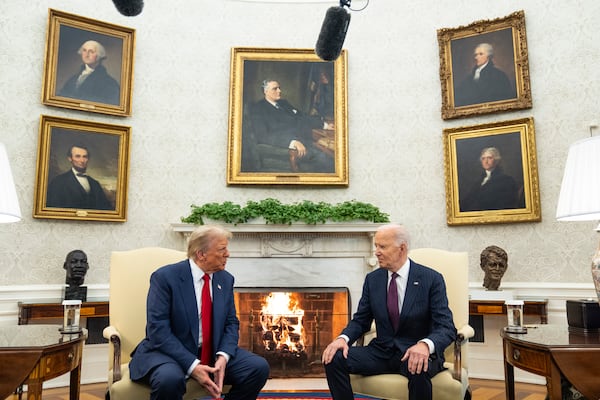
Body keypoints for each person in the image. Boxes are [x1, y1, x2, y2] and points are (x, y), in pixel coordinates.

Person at [128, 225, 270, 400]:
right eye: (222, 249)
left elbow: (231, 323)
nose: (228, 254)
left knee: (257, 367)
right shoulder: (165, 277)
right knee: (169, 380)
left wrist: (223, 357)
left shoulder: (225, 279)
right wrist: (193, 365)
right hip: (169, 353)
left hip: (211, 351)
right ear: (201, 254)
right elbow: (158, 331)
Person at [321, 224, 456, 400]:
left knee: (418, 366)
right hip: (381, 352)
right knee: (333, 358)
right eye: (376, 246)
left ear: (402, 248)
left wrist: (425, 345)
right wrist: (342, 338)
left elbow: (446, 327)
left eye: (382, 246)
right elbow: (361, 320)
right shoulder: (373, 279)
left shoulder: (431, 279)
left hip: (414, 351)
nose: (376, 252)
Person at [245, 79, 335, 173]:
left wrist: (324, 125)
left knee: (329, 151)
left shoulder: (284, 103)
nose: (279, 91)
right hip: (286, 148)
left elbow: (302, 117)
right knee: (326, 158)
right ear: (265, 91)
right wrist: (292, 142)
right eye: (275, 89)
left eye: (279, 88)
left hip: (305, 141)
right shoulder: (258, 108)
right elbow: (263, 135)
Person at [46, 144, 113, 210]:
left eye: (85, 157)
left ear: (88, 159)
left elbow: (106, 209)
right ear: (70, 158)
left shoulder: (95, 184)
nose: (82, 160)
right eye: (78, 156)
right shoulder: (58, 182)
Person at [460, 147, 523, 212]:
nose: (486, 161)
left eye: (489, 158)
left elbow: (506, 204)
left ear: (497, 160)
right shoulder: (478, 181)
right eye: (483, 158)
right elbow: (467, 201)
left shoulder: (507, 180)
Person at [57, 40, 120, 105]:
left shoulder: (109, 82)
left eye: (91, 52)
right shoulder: (73, 79)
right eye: (84, 50)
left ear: (99, 56)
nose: (86, 55)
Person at [454, 43, 516, 107]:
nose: (476, 57)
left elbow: (505, 98)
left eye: (481, 54)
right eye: (476, 55)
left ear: (488, 56)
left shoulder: (499, 75)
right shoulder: (470, 77)